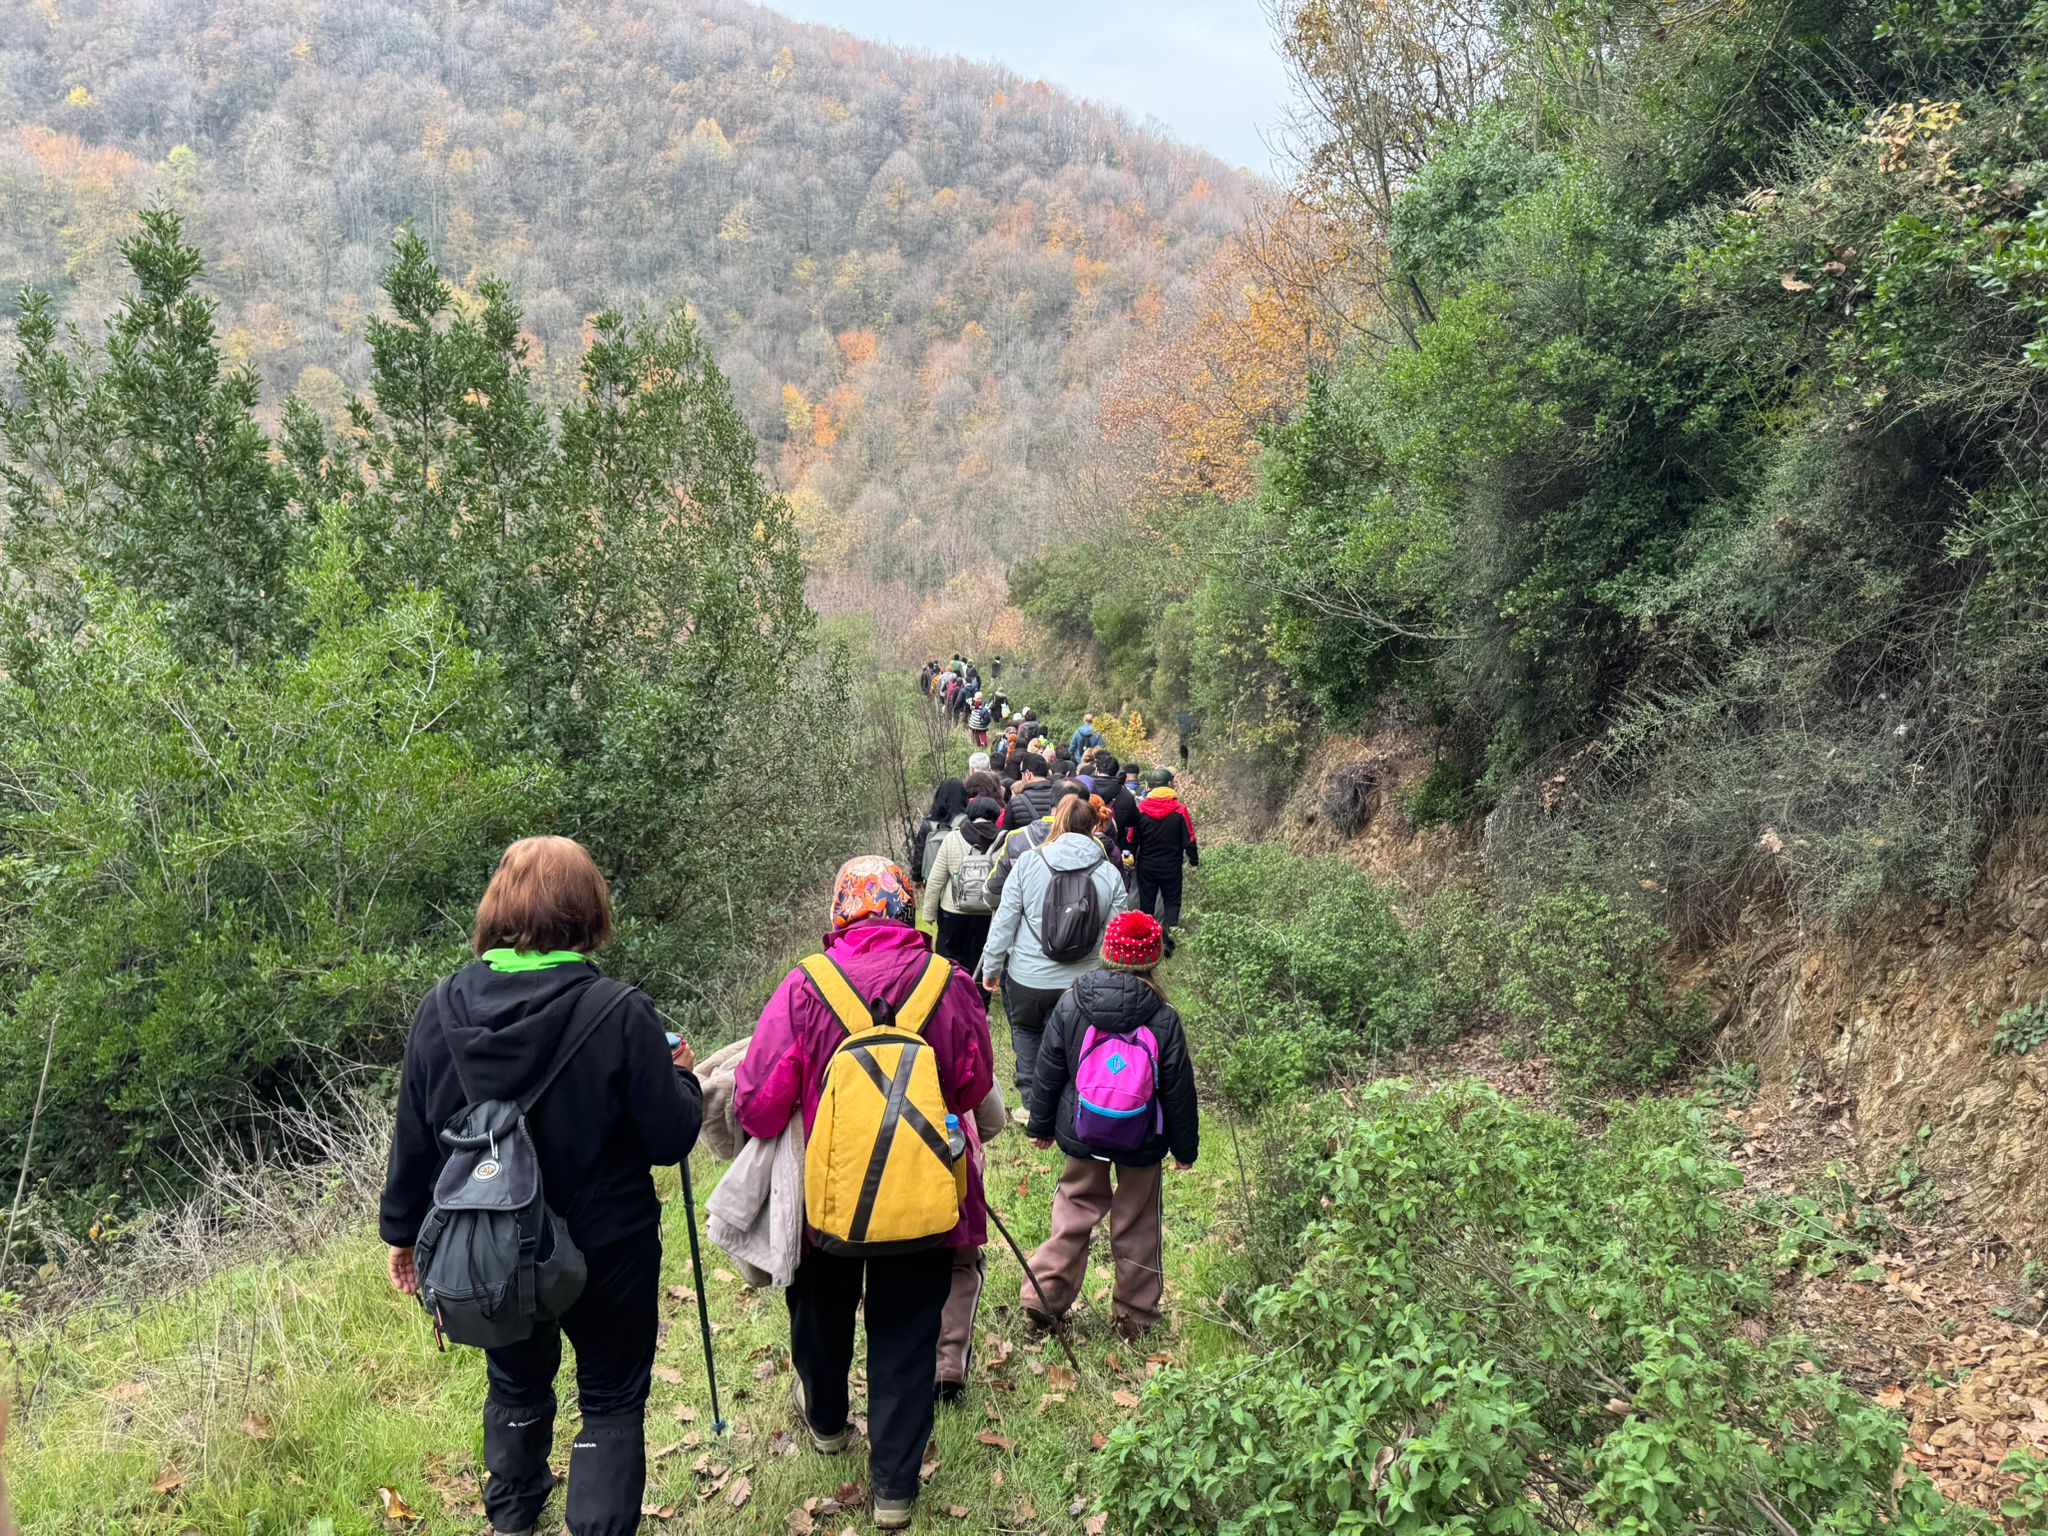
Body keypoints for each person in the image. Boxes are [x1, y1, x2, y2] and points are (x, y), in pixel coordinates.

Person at [381, 836, 703, 1536]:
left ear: (497, 907)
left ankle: (514, 1514)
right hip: (608, 1248)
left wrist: (401, 1235)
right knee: (612, 1397)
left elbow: (413, 1137)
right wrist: (683, 1075)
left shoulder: (439, 1010)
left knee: (516, 1382)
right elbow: (671, 1138)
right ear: (588, 912)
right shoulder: (621, 1013)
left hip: (491, 1250)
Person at [735, 860, 995, 1531]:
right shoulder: (948, 982)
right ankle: (894, 1491)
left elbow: (759, 1110)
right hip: (925, 1194)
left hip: (829, 1199)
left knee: (820, 1314)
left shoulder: (804, 987)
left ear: (839, 914)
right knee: (908, 1335)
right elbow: (971, 1089)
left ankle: (825, 1423)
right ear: (905, 911)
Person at [1022, 911, 1198, 1341]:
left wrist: (1041, 1125)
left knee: (1074, 1209)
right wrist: (1184, 1149)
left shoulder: (1072, 1001)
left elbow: (1049, 1071)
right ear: (1153, 958)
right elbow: (1177, 1089)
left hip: (1082, 1131)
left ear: (1106, 951)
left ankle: (1045, 1297)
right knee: (1138, 1222)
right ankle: (1134, 1317)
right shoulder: (1163, 1016)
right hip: (1143, 1138)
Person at [980, 795, 1129, 1095]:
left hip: (1028, 977)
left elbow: (1004, 921)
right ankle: (1073, 1099)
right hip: (1084, 981)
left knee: (1027, 1031)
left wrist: (992, 967)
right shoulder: (1109, 873)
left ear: (1058, 821)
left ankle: (1032, 1103)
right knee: (1077, 1039)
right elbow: (1116, 935)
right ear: (1093, 827)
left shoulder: (1028, 863)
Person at [920, 794, 1004, 972]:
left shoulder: (953, 838)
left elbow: (936, 879)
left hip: (954, 910)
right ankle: (980, 994)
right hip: (990, 912)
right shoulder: (1005, 840)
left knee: (951, 958)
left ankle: (951, 990)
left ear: (970, 814)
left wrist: (928, 913)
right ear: (996, 816)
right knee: (982, 958)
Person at [1131, 768, 1199, 956]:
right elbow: (1190, 839)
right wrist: (1194, 861)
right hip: (1171, 866)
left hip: (1147, 865)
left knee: (1147, 904)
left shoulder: (1141, 809)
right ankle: (1168, 943)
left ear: (1149, 787)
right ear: (1170, 785)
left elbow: (1132, 837)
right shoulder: (1179, 810)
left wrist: (1132, 859)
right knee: (1172, 903)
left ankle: (1146, 944)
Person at [914, 779, 970, 885]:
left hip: (933, 882)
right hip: (961, 880)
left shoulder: (928, 824)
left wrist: (917, 879)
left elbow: (919, 855)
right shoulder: (966, 822)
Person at [998, 753, 1056, 830]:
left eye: (1022, 773)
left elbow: (1006, 833)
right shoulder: (1059, 797)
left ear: (1028, 774)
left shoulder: (1015, 802)